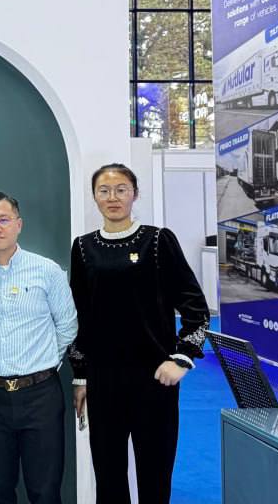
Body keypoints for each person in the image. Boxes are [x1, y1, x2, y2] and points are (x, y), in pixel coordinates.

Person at [69, 163, 210, 504]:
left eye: (121, 189)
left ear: (135, 194)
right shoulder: (83, 247)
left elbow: (196, 308)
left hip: (155, 379)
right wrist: (81, 376)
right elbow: (80, 317)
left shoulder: (158, 241)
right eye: (104, 190)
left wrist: (181, 359)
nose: (112, 197)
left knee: (155, 476)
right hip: (104, 380)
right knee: (109, 478)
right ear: (94, 197)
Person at [0, 192, 77, 504]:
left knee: (45, 491)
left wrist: (43, 360)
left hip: (40, 395)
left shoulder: (47, 270)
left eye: (4, 220)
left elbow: (67, 325)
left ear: (19, 224)